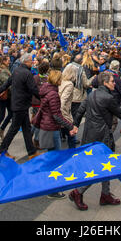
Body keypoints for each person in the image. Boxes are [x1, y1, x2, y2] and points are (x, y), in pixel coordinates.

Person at [69, 72, 121, 211]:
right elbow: (119, 112)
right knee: (99, 166)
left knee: (106, 164)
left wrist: (75, 125)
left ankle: (105, 194)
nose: (114, 83)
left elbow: (81, 110)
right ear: (105, 83)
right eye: (112, 81)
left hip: (89, 134)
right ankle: (78, 192)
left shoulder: (92, 94)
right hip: (102, 135)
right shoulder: (108, 98)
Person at [36, 69, 77, 199]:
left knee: (50, 155)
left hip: (46, 125)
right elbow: (56, 115)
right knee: (55, 158)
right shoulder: (53, 94)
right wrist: (70, 125)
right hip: (51, 127)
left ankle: (46, 182)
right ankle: (52, 188)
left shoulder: (46, 89)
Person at [0, 53, 42, 161]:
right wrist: (43, 98)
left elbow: (7, 83)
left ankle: (31, 152)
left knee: (26, 129)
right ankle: (2, 151)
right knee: (14, 129)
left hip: (18, 103)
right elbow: (33, 89)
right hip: (21, 104)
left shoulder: (16, 70)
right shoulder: (27, 73)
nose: (32, 62)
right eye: (31, 61)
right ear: (26, 61)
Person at [59, 63, 77, 149]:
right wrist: (65, 117)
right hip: (64, 112)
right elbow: (63, 101)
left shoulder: (61, 80)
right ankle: (72, 154)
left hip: (59, 112)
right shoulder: (69, 84)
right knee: (72, 136)